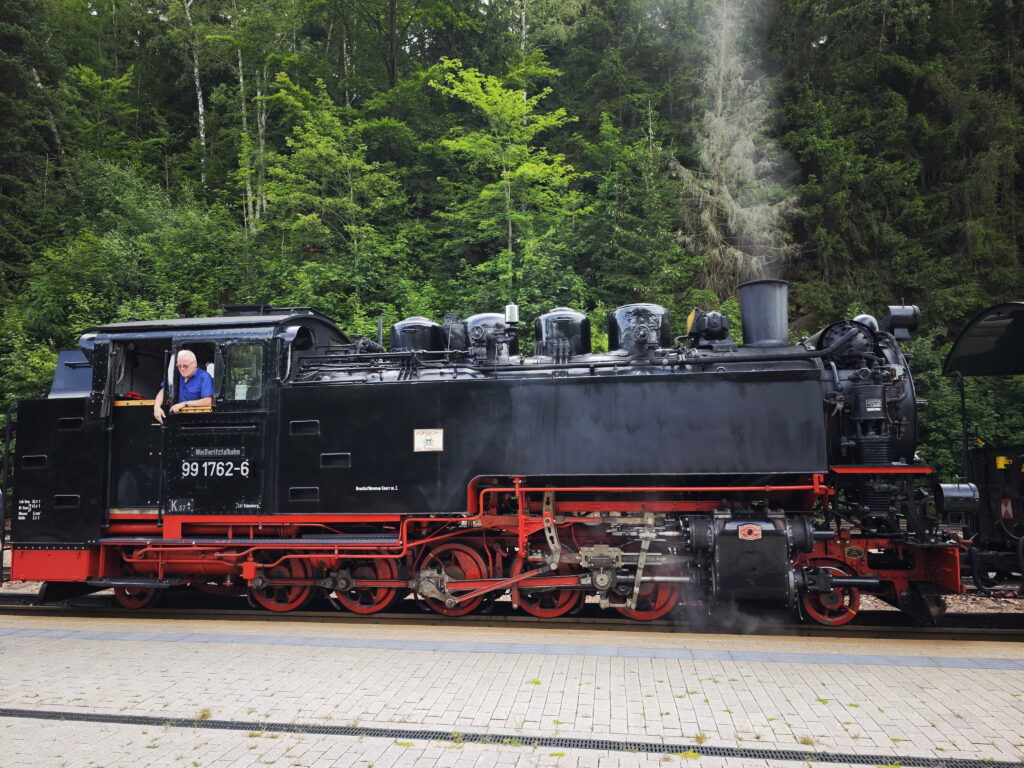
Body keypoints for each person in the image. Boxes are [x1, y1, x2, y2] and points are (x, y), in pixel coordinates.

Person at [153, 349, 214, 424]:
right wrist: (157, 406)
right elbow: (163, 391)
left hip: (197, 421)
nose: (182, 369)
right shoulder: (175, 376)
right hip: (177, 421)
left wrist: (184, 404)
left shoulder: (204, 377)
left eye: (185, 366)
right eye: (179, 366)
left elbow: (208, 401)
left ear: (195, 363)